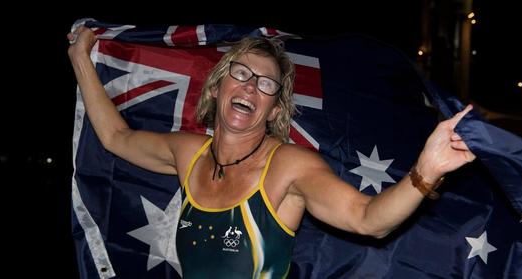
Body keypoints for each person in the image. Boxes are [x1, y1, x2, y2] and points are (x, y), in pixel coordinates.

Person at [68, 26, 475, 279]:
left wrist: (426, 170)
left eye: (265, 84)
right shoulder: (188, 153)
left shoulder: (288, 167)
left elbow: (369, 220)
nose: (249, 87)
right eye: (241, 75)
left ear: (275, 108)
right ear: (217, 87)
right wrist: (81, 60)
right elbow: (116, 138)